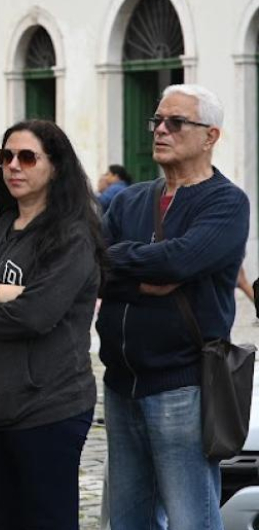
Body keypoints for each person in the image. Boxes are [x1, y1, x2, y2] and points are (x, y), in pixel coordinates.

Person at [0, 120, 102, 530]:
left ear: (55, 167)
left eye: (27, 157)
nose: (13, 166)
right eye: (5, 157)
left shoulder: (72, 235)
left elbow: (36, 315)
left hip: (47, 405)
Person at [97, 84, 250, 530]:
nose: (161, 130)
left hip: (181, 384)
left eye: (176, 122)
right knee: (129, 521)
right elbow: (92, 263)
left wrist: (123, 264)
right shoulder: (129, 199)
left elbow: (181, 259)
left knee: (191, 520)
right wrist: (143, 283)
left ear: (211, 136)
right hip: (120, 383)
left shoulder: (226, 202)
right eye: (157, 121)